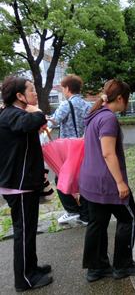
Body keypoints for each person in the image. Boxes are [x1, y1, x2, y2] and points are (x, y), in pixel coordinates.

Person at [78, 79, 135, 282]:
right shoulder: (108, 119)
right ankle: (123, 265)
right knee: (129, 218)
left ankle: (96, 268)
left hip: (90, 181)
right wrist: (120, 182)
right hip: (107, 182)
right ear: (119, 98)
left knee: (97, 223)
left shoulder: (94, 115)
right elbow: (108, 153)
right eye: (127, 98)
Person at [0, 76, 53, 291]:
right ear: (20, 96)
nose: (34, 93)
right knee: (23, 232)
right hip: (18, 185)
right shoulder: (12, 114)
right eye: (31, 90)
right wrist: (38, 112)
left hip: (24, 183)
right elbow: (32, 121)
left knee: (29, 231)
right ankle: (24, 279)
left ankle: (32, 268)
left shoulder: (15, 114)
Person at [48, 75, 91, 225]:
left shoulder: (66, 104)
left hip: (68, 147)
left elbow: (54, 122)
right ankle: (85, 214)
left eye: (63, 88)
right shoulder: (87, 105)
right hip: (84, 146)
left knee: (60, 177)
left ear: (67, 88)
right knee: (82, 179)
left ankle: (72, 210)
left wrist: (42, 118)